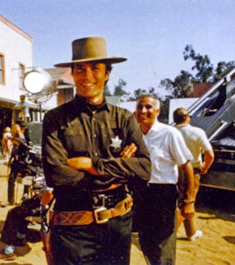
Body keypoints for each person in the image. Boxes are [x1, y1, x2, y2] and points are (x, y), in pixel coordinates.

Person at [42, 36, 151, 265]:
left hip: (117, 226)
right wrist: (118, 169)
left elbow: (143, 168)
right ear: (72, 73)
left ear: (108, 73)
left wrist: (91, 165)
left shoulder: (124, 118)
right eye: (80, 69)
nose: (87, 76)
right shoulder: (55, 119)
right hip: (73, 229)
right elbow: (56, 174)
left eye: (95, 68)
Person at [135, 95, 195, 265]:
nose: (143, 111)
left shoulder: (169, 133)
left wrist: (188, 200)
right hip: (141, 193)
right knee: (146, 243)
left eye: (148, 107)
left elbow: (186, 166)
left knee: (163, 246)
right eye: (140, 107)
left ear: (158, 111)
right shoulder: (134, 134)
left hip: (163, 194)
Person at [173, 107, 214, 241]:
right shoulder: (197, 132)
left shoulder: (170, 131)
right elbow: (210, 154)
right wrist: (205, 168)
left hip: (173, 172)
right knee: (187, 203)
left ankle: (191, 233)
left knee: (182, 203)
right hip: (191, 173)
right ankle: (168, 237)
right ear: (186, 117)